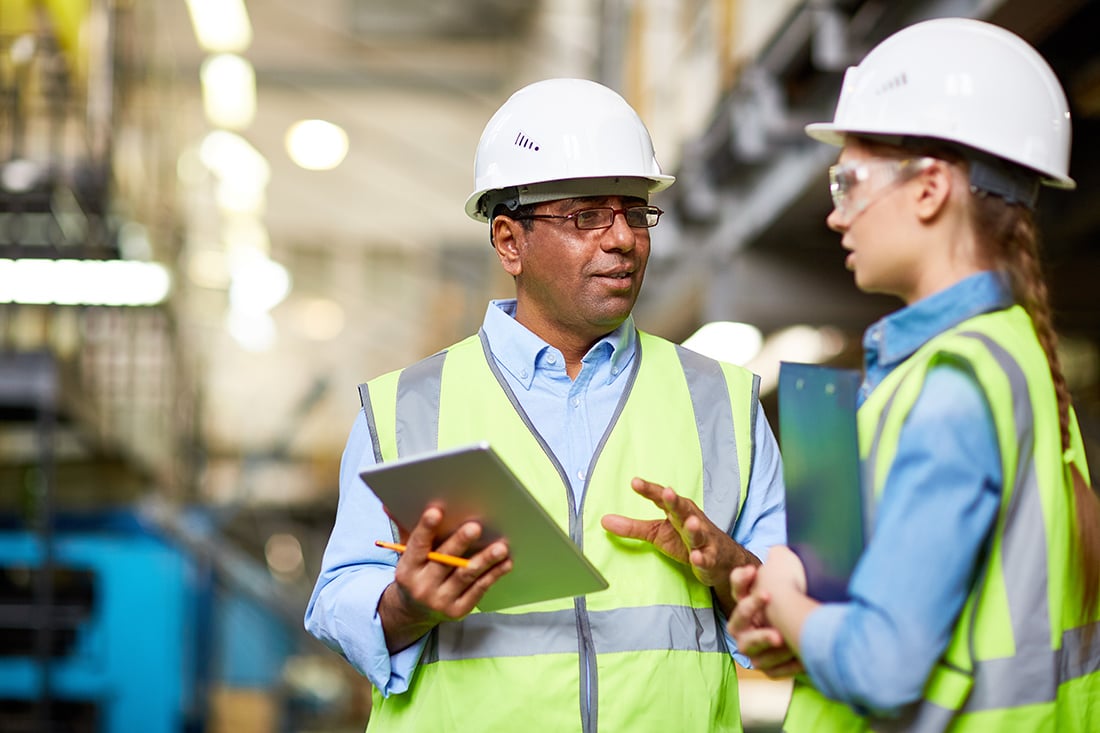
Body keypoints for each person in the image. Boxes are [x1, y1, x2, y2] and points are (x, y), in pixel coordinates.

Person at [304, 77, 786, 732]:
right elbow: (337, 598)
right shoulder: (405, 408)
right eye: (587, 215)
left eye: (635, 210)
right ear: (509, 242)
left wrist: (732, 569)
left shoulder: (722, 402)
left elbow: (795, 614)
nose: (622, 238)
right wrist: (407, 604)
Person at [727, 17, 1100, 732]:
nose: (837, 215)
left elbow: (882, 667)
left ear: (930, 189)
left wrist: (785, 595)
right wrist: (795, 626)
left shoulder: (954, 386)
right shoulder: (1009, 360)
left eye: (848, 181)